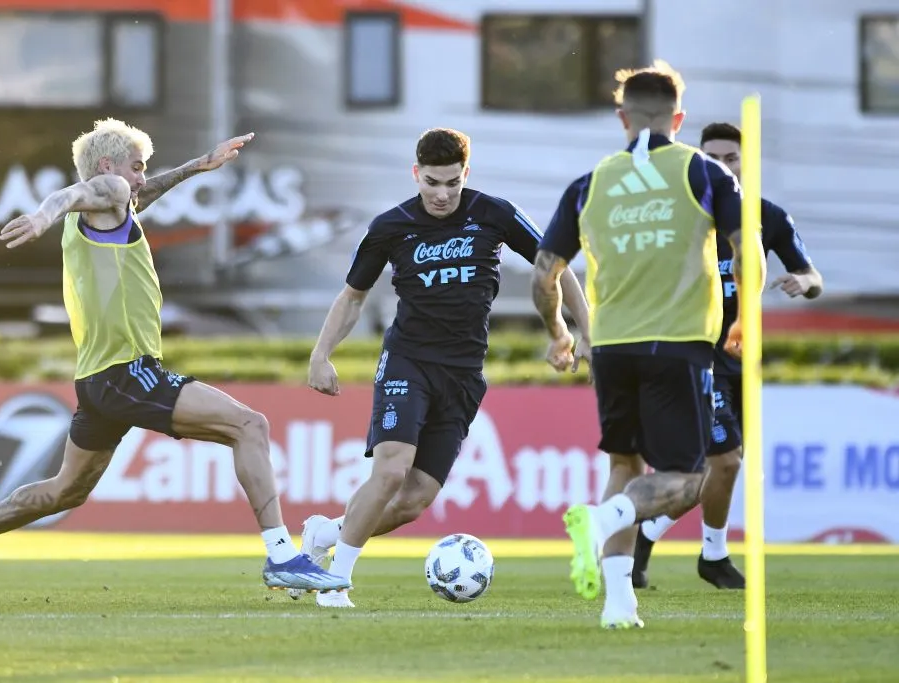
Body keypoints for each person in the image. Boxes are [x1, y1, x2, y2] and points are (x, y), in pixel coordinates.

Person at [0, 118, 349, 603]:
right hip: (127, 371)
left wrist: (197, 166)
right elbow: (67, 195)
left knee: (66, 490)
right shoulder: (103, 190)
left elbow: (135, 195)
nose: (143, 178)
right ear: (108, 168)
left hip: (100, 378)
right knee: (249, 426)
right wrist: (42, 215)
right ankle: (280, 555)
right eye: (137, 167)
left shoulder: (114, 211)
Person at [291, 127, 591, 608]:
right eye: (432, 181)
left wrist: (580, 332)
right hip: (407, 361)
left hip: (464, 374)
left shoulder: (494, 213)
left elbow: (555, 268)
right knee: (390, 472)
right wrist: (321, 354)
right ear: (417, 174)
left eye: (452, 182)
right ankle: (335, 581)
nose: (442, 193)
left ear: (465, 174)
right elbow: (353, 296)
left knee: (413, 500)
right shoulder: (391, 226)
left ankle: (327, 532)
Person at [531, 60, 766, 629]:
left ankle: (619, 606)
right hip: (677, 343)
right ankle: (604, 517)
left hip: (610, 347)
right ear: (678, 118)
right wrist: (743, 320)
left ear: (622, 119)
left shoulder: (590, 184)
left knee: (624, 462)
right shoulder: (704, 173)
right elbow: (748, 248)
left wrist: (560, 332)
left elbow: (544, 273)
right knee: (687, 478)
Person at [632, 122, 823, 590]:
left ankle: (639, 538)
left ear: (746, 162)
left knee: (709, 475)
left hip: (745, 364)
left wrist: (805, 283)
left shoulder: (768, 217)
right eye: (711, 156)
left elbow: (812, 275)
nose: (720, 164)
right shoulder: (681, 217)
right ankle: (712, 556)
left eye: (730, 157)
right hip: (696, 359)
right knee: (725, 464)